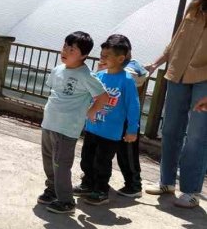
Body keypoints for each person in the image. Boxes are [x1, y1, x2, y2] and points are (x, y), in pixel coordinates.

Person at [144, 0, 207, 209]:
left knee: (197, 136)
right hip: (177, 74)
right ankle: (166, 182)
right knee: (170, 130)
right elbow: (176, 41)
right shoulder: (195, 5)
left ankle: (190, 191)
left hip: (204, 80)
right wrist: (155, 63)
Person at [38, 31, 110, 214]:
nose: (65, 51)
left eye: (72, 50)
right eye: (65, 47)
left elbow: (103, 97)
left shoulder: (86, 75)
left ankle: (66, 201)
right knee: (49, 161)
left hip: (67, 128)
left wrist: (92, 110)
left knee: (61, 165)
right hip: (49, 123)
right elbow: (55, 93)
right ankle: (52, 189)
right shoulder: (58, 69)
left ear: (84, 55)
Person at [74, 36, 141, 206]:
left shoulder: (127, 80)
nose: (102, 58)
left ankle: (101, 191)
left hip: (110, 133)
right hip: (92, 127)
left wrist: (132, 129)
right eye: (101, 55)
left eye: (106, 56)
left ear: (120, 58)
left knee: (102, 162)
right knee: (87, 158)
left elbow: (133, 106)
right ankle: (87, 184)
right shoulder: (99, 76)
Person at [98, 34, 149, 198]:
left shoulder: (132, 68)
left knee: (127, 153)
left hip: (127, 119)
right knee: (100, 151)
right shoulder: (107, 68)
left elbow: (138, 77)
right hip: (109, 118)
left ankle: (134, 184)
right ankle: (93, 179)